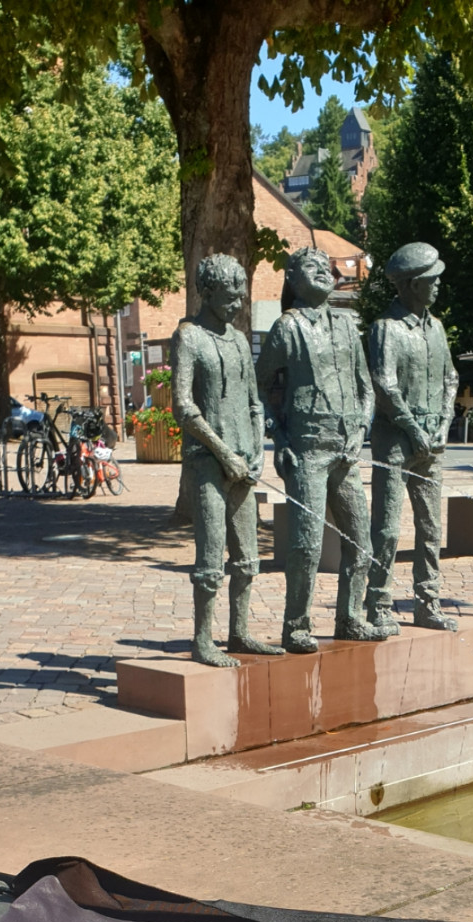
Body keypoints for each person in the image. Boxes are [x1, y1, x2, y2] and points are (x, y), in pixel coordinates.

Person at [256, 246, 382, 653]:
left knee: (361, 541)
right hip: (307, 448)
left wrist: (361, 427)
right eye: (312, 268)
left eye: (326, 268)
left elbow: (366, 387)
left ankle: (350, 619)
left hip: (346, 449)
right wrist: (278, 436)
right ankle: (296, 626)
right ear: (293, 280)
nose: (324, 273)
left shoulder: (347, 325)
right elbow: (258, 386)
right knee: (306, 544)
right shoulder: (287, 328)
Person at [171, 253, 282, 667]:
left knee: (248, 557)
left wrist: (255, 452)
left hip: (243, 462)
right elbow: (183, 407)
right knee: (210, 555)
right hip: (207, 462)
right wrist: (223, 453)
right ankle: (202, 640)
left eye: (241, 296)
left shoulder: (238, 339)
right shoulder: (188, 337)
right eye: (230, 297)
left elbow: (254, 402)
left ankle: (240, 632)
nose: (238, 304)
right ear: (207, 292)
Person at [366, 242, 459, 636]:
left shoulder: (435, 328)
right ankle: (378, 604)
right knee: (387, 529)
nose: (437, 285)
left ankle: (427, 603)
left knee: (431, 527)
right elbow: (384, 385)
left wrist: (444, 423)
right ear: (410, 284)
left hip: (431, 440)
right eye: (430, 279)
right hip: (395, 441)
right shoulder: (386, 329)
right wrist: (413, 429)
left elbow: (450, 378)